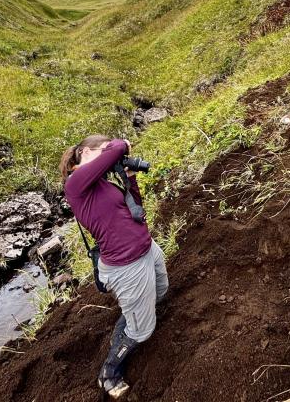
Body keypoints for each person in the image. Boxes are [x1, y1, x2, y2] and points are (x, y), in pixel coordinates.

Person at [60, 135, 168, 400]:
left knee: (161, 290)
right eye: (103, 150)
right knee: (142, 331)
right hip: (127, 265)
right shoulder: (76, 185)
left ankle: (126, 323)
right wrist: (119, 145)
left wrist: (129, 177)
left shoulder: (102, 182)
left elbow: (135, 210)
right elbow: (118, 147)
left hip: (146, 248)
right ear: (85, 152)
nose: (111, 154)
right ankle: (109, 372)